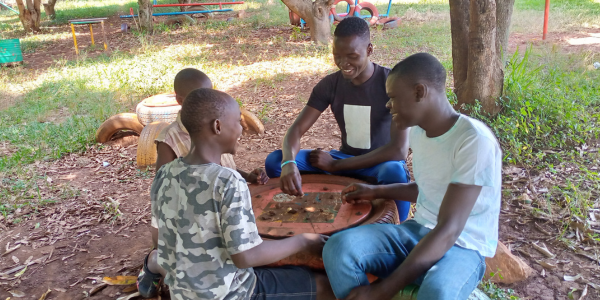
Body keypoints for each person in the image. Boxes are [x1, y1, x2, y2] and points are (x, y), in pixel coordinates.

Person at [322, 53, 502, 300]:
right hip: (417, 231)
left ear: (419, 92)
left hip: (463, 246)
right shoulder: (419, 132)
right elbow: (429, 188)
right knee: (338, 249)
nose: (388, 105)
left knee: (438, 292)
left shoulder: (473, 141)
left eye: (393, 98)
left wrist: (382, 290)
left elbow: (449, 229)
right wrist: (376, 191)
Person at [146, 88, 335, 300]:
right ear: (217, 126)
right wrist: (305, 240)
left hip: (184, 292)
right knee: (326, 285)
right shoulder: (227, 181)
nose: (242, 129)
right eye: (237, 121)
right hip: (233, 293)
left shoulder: (165, 174)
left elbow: (158, 238)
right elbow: (245, 257)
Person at [137, 68, 269, 298]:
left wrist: (247, 175)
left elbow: (219, 171)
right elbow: (165, 191)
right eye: (198, 95)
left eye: (209, 93)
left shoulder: (220, 163)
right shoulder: (170, 139)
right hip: (195, 222)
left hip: (214, 211)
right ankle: (154, 262)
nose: (206, 100)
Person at [264, 17, 411, 221]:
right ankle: (303, 214)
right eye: (337, 56)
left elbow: (399, 150)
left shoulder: (390, 83)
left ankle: (396, 226)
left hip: (379, 165)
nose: (343, 63)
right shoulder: (330, 85)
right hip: (345, 159)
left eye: (352, 56)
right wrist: (289, 161)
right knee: (275, 161)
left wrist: (335, 166)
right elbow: (295, 131)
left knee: (394, 171)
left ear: (369, 50)